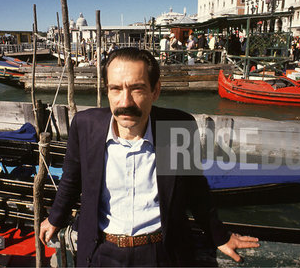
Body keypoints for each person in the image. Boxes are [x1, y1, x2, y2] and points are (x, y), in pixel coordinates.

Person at [40, 48, 259, 267]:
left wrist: (219, 235)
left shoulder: (177, 128)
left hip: (161, 252)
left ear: (155, 91)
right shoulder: (85, 125)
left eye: (137, 89)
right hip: (101, 251)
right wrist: (55, 218)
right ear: (107, 90)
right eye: (116, 89)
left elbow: (195, 188)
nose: (125, 102)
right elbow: (71, 178)